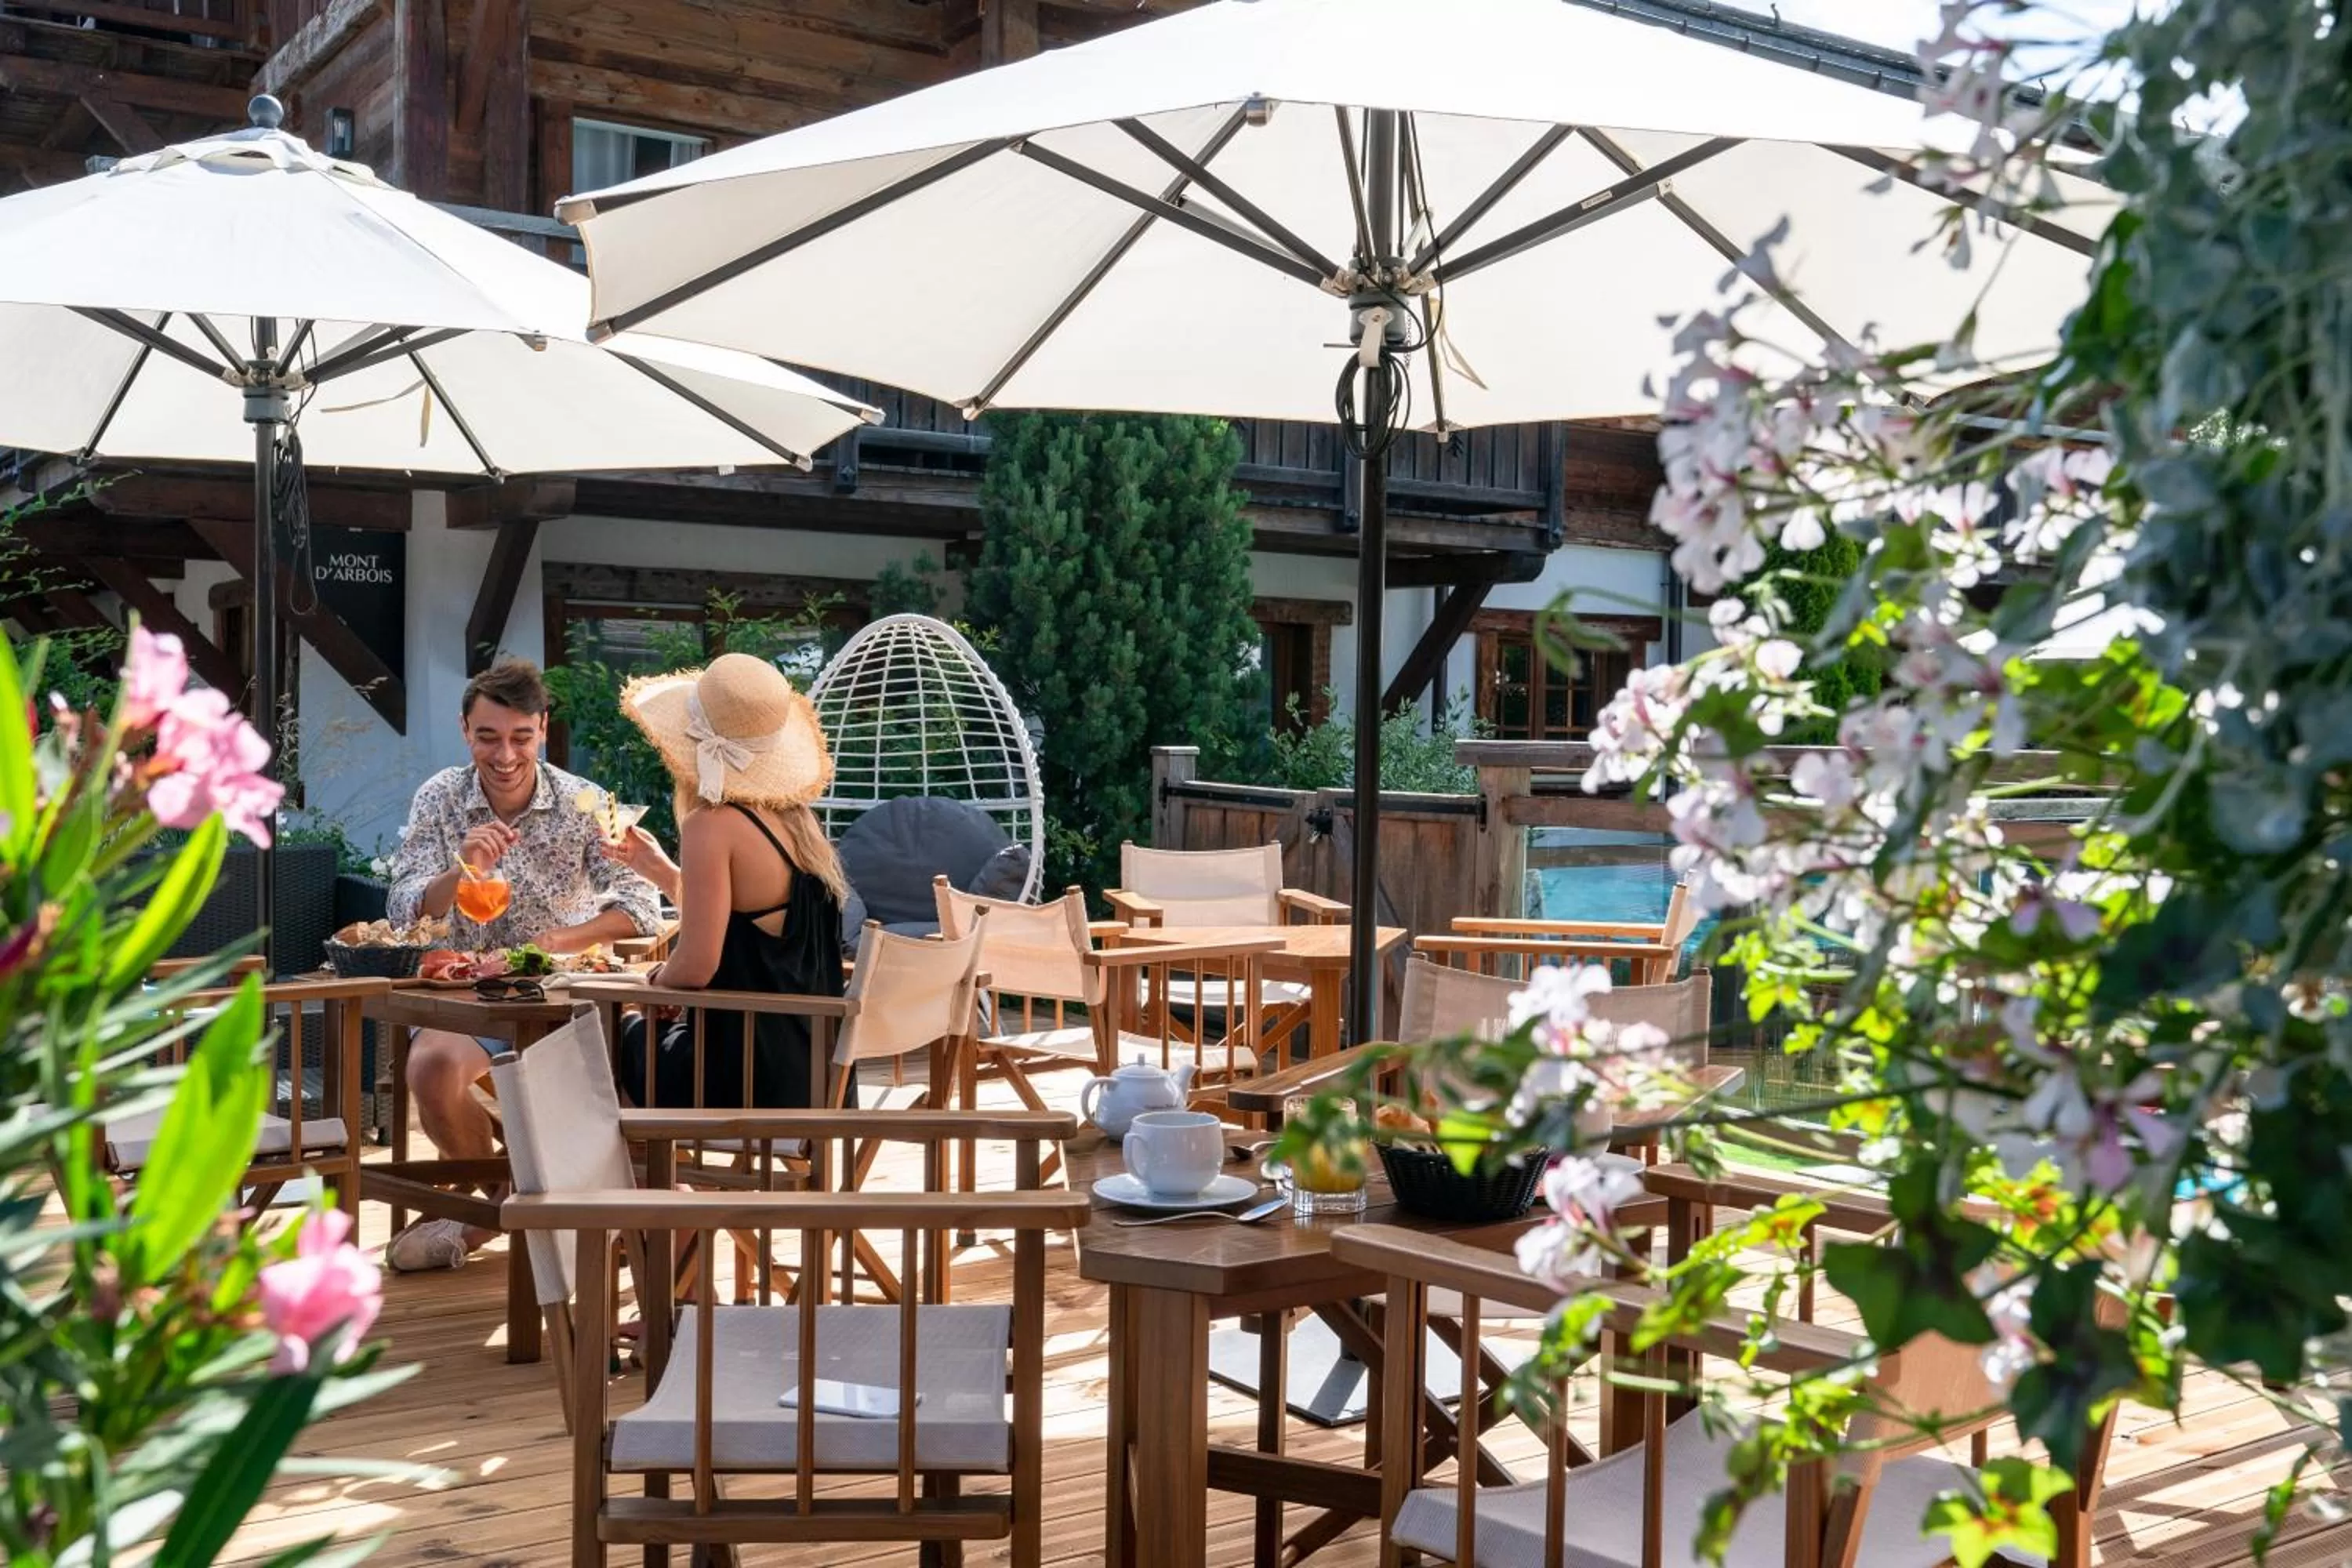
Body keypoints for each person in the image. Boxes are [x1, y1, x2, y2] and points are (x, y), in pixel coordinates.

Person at [381, 658, 664, 1272]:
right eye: (488, 737)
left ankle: (535, 1213)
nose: (504, 754)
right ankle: (505, 1203)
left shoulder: (587, 802)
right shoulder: (440, 798)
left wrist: (567, 938)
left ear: (542, 729)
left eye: (519, 737)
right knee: (430, 1069)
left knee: (602, 1095)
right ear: (465, 731)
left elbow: (643, 905)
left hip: (565, 993)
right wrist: (460, 872)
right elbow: (402, 905)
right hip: (471, 989)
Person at [602, 652, 850, 1112]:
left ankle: (634, 1182)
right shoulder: (798, 825)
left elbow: (696, 965)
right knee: (637, 1034)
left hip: (742, 1077)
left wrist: (653, 984)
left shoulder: (710, 825)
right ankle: (660, 1183)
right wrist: (659, 870)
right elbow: (746, 925)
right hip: (816, 1076)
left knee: (598, 1030)